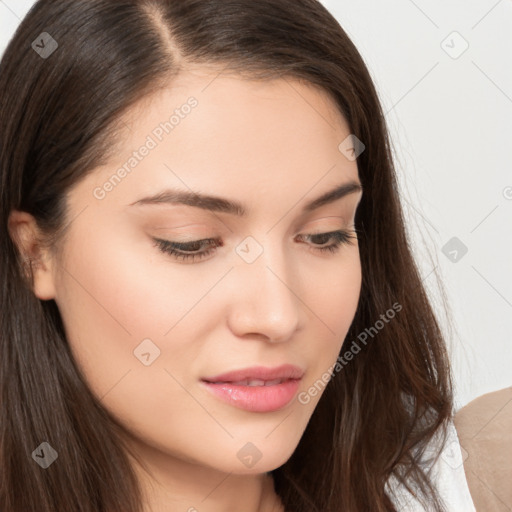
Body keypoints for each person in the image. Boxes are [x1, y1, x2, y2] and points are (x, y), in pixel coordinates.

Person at [0, 1, 475, 510]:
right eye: (191, 243)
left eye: (323, 235)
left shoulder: (482, 477)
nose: (278, 316)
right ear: (36, 252)